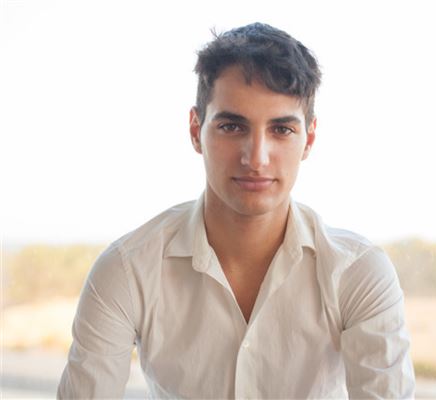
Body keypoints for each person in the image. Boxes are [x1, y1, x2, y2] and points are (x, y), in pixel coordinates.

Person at [57, 22, 415, 399]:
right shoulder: (127, 270)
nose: (256, 158)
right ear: (195, 129)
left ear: (309, 138)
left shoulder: (358, 273)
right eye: (232, 126)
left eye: (281, 130)